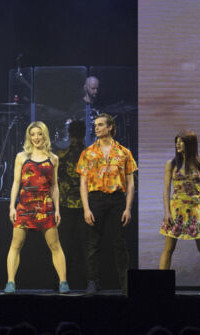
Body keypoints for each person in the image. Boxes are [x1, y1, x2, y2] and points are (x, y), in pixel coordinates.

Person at [5, 121, 68, 294]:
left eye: (39, 134)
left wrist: (57, 210)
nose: (36, 138)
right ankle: (10, 282)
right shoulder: (21, 157)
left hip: (45, 206)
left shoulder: (53, 158)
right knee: (16, 245)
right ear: (29, 137)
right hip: (25, 205)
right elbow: (16, 182)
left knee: (55, 245)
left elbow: (54, 186)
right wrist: (12, 207)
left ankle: (63, 282)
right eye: (33, 134)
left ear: (45, 135)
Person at [77, 113, 137, 295]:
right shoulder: (88, 153)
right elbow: (83, 183)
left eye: (100, 125)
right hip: (96, 199)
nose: (96, 128)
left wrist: (128, 208)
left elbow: (131, 183)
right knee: (93, 243)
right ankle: (92, 282)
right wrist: (86, 208)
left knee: (120, 244)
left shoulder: (124, 152)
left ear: (110, 127)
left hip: (117, 199)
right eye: (95, 125)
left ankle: (125, 284)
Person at [159, 130, 200, 294]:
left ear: (190, 144)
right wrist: (167, 213)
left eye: (181, 141)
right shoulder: (171, 164)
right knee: (168, 249)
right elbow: (166, 190)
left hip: (196, 209)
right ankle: (160, 285)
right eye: (176, 141)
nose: (177, 144)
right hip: (176, 210)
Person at [55, 119, 87, 287]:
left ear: (69, 134)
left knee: (64, 245)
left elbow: (56, 179)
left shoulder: (62, 155)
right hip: (86, 206)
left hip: (66, 203)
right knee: (86, 245)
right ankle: (88, 281)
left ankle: (62, 281)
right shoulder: (89, 154)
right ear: (84, 133)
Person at [72, 76, 100, 145]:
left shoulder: (99, 105)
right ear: (85, 88)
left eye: (97, 88)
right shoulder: (76, 106)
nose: (96, 91)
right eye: (93, 88)